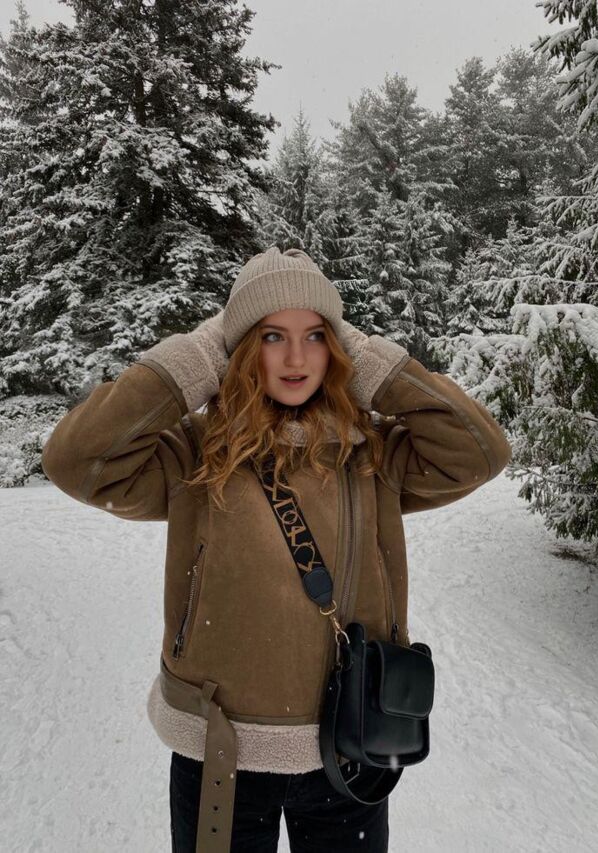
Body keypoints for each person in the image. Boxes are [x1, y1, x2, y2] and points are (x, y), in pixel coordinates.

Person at [41, 245, 513, 852]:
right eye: (271, 336)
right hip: (219, 754)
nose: (296, 358)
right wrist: (200, 353)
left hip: (351, 745)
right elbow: (75, 460)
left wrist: (369, 360)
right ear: (239, 348)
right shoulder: (193, 453)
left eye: (316, 336)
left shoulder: (373, 453)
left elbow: (481, 451)